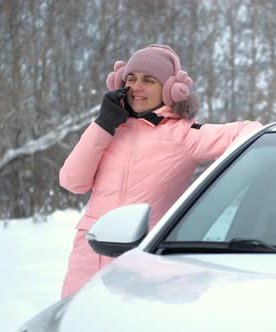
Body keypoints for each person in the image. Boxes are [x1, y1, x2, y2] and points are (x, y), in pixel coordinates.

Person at [59, 44, 262, 298]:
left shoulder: (185, 135)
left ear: (169, 89)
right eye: (131, 78)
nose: (137, 87)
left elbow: (251, 130)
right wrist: (103, 124)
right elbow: (72, 181)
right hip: (88, 259)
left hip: (144, 261)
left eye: (149, 80)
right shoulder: (108, 129)